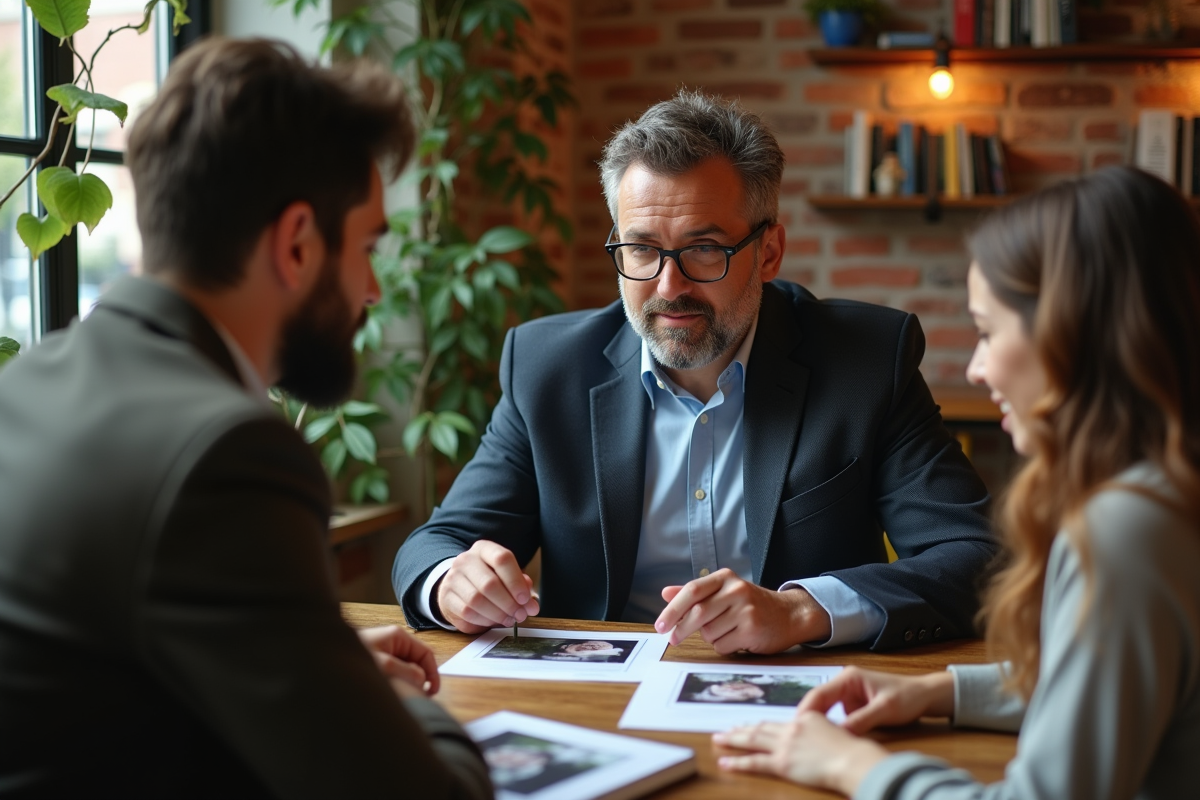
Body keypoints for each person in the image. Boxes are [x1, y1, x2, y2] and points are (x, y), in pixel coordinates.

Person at [0, 39, 491, 798]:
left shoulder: (28, 382)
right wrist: (382, 701)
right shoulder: (223, 455)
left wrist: (321, 663)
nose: (370, 291)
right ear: (297, 244)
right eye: (366, 248)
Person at [394, 89, 998, 654]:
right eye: (641, 248)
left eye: (704, 248)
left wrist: (800, 611)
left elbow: (974, 556)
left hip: (797, 691)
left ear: (768, 253)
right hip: (597, 700)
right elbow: (435, 544)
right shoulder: (548, 368)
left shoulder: (865, 362)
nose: (668, 285)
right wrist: (452, 581)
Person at [713, 166, 1200, 799]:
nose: (975, 367)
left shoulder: (1126, 529)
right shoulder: (1168, 497)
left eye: (989, 332)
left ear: (1073, 335)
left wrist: (851, 767)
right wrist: (938, 690)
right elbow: (1115, 685)